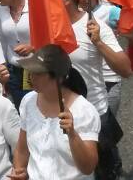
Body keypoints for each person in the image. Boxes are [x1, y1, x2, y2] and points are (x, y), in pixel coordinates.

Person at [56, 0, 129, 179]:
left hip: (95, 113)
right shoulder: (48, 26)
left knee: (103, 173)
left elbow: (125, 69)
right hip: (61, 114)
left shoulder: (94, 26)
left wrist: (98, 43)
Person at [11, 44, 99, 180]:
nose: (31, 77)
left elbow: (88, 167)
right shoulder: (28, 101)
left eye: (39, 73)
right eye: (31, 71)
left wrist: (72, 134)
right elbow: (22, 150)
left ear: (59, 78)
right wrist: (19, 171)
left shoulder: (84, 110)